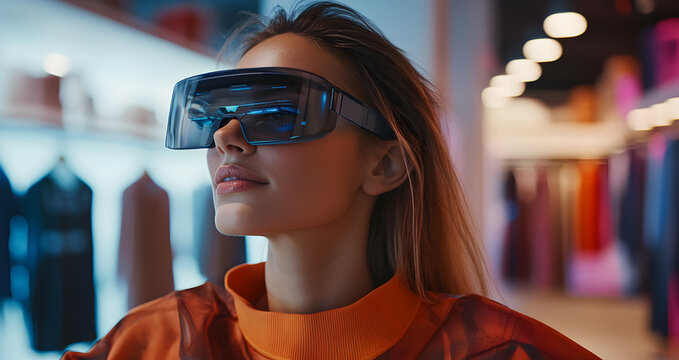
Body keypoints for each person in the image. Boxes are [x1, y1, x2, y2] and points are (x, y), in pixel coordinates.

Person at [63, 2, 599, 359]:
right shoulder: (156, 343)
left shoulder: (497, 351)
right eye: (212, 116)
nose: (226, 138)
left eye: (276, 111)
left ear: (384, 164)